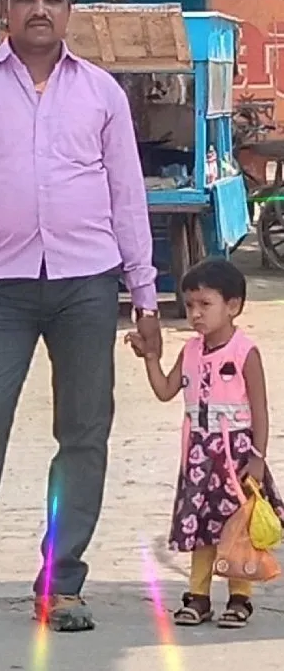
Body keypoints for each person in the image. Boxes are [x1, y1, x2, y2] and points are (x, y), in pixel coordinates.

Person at [0, 0, 161, 635]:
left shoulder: (100, 93)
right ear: (4, 8)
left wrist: (143, 298)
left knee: (83, 433)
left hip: (88, 284)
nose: (38, 10)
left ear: (68, 11)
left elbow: (125, 198)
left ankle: (63, 584)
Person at [126, 258, 284, 629]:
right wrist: (150, 357)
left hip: (237, 456)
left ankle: (240, 597)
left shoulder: (246, 352)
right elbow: (165, 390)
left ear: (233, 306)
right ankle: (198, 596)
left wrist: (258, 458)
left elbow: (260, 410)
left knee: (237, 527)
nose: (195, 314)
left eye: (205, 305)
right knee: (200, 527)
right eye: (190, 306)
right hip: (199, 455)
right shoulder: (190, 352)